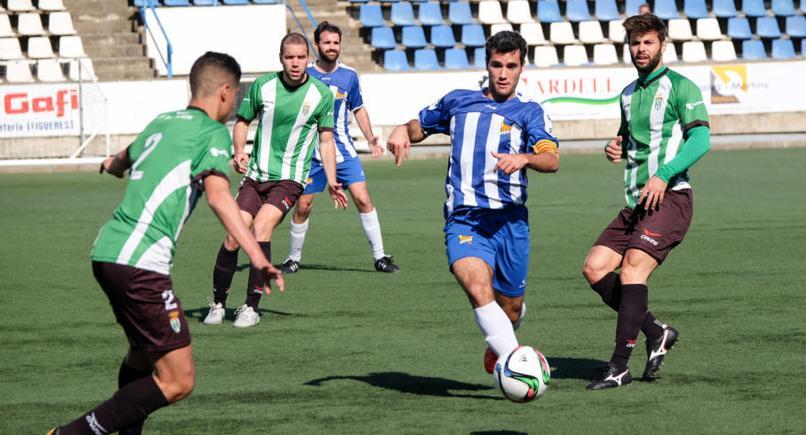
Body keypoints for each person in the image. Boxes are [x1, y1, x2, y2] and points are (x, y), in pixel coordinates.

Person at [38, 52, 284, 435]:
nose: (234, 105)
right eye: (235, 96)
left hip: (108, 251)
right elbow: (219, 198)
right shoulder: (212, 133)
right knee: (178, 379)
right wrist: (259, 256)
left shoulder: (163, 121)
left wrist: (107, 165)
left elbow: (118, 162)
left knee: (141, 354)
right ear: (226, 92)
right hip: (139, 263)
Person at [387, 31, 559, 376]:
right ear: (487, 65)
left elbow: (551, 159)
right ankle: (518, 365)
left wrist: (524, 158)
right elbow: (418, 126)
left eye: (511, 66)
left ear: (521, 67)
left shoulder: (529, 112)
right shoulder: (459, 102)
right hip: (465, 220)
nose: (504, 73)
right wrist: (401, 131)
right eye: (497, 65)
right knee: (479, 288)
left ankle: (505, 335)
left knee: (510, 307)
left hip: (510, 222)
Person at [583, 14, 710, 390]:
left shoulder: (680, 87)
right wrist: (615, 147)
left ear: (663, 45)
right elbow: (629, 141)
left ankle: (619, 367)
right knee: (594, 268)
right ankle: (657, 332)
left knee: (632, 270)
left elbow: (701, 141)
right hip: (636, 203)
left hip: (671, 197)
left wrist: (664, 173)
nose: (640, 49)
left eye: (648, 42)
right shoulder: (626, 94)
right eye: (635, 43)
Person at [204, 32, 347, 328]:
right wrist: (239, 151)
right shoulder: (263, 86)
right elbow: (242, 121)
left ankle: (250, 307)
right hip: (256, 177)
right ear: (280, 58)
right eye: (289, 57)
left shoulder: (320, 94)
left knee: (261, 227)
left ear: (309, 58)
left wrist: (332, 179)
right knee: (233, 236)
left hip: (290, 179)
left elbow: (326, 139)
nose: (295, 63)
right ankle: (218, 302)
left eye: (300, 57)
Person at [281, 22, 399, 274]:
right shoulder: (305, 75)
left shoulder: (349, 76)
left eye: (336, 42)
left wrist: (370, 138)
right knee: (303, 206)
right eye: (327, 42)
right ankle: (293, 258)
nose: (332, 47)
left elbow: (358, 108)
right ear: (317, 45)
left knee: (363, 198)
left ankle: (380, 257)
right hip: (311, 154)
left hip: (343, 150)